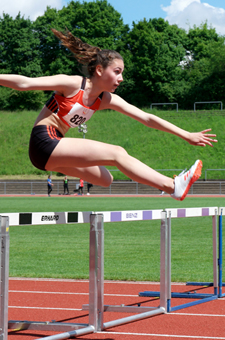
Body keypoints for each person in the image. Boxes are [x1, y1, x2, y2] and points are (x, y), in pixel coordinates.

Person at [0, 29, 217, 201]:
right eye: (117, 72)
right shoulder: (74, 84)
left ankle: (172, 187)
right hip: (43, 140)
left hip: (48, 156)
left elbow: (147, 118)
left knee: (105, 179)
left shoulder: (105, 99)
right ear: (99, 70)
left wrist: (186, 134)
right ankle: (173, 186)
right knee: (117, 153)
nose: (121, 78)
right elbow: (25, 82)